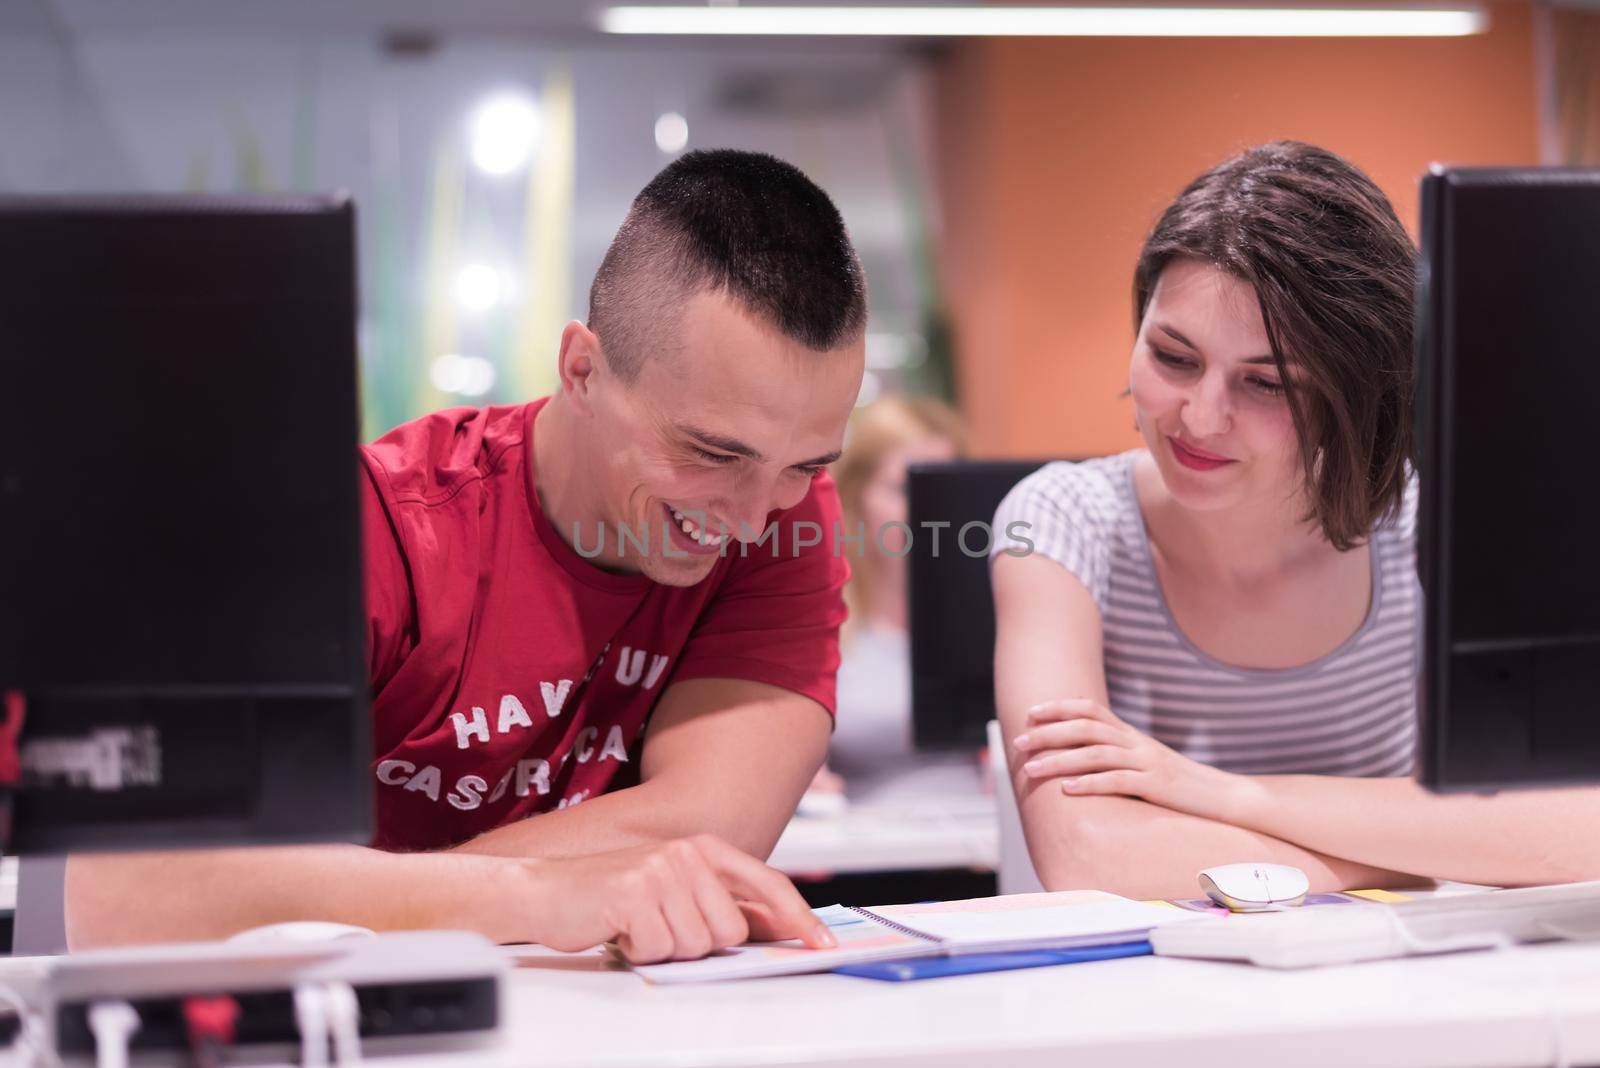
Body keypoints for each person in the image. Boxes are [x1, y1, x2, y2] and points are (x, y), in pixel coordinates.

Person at [65, 149, 869, 962]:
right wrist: (535, 896)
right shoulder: (372, 525)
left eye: (805, 464)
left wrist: (341, 893)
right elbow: (127, 894)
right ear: (583, 370)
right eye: (710, 452)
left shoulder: (783, 516)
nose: (747, 518)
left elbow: (709, 824)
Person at [990, 141, 1600, 900]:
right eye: (1174, 357)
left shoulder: (1425, 521)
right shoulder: (1059, 520)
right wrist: (1423, 853)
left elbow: (1578, 825)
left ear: (1356, 393)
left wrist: (1224, 792)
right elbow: (1089, 858)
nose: (1202, 417)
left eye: (1268, 384)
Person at [811, 395, 983, 804]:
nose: (929, 511)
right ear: (857, 497)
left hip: (988, 846)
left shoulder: (994, 616)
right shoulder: (820, 622)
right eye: (905, 489)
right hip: (868, 855)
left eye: (945, 488)